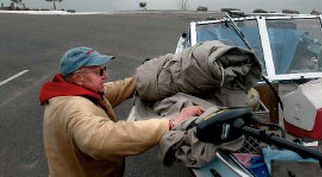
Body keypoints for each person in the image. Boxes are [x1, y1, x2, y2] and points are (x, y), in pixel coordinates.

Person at [39, 46, 204, 177]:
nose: (106, 76)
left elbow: (117, 89)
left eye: (105, 69)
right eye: (99, 72)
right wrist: (170, 123)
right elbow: (103, 138)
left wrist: (151, 76)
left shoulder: (77, 91)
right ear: (78, 78)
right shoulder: (74, 108)